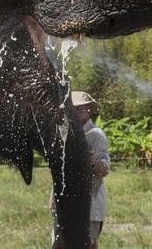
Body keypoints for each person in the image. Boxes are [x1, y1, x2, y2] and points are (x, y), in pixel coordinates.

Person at [51, 90, 111, 248]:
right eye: (70, 109)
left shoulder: (95, 135)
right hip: (64, 202)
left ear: (89, 109)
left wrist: (92, 162)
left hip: (89, 203)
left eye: (78, 109)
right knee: (60, 244)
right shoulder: (65, 134)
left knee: (87, 244)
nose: (73, 113)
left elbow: (103, 170)